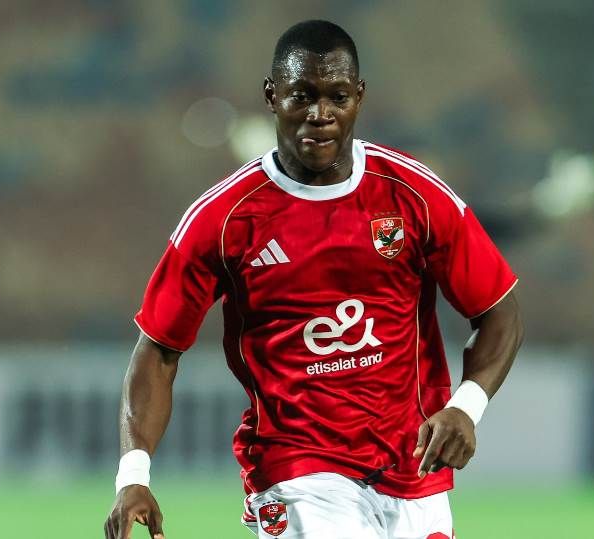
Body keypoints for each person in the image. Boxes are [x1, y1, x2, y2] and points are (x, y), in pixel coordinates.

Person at [104, 19, 523, 539]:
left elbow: (499, 310)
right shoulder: (223, 218)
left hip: (413, 470)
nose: (320, 115)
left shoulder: (414, 194)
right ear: (271, 95)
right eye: (302, 96)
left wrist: (466, 407)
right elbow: (158, 350)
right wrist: (133, 476)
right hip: (296, 470)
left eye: (337, 97)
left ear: (359, 98)